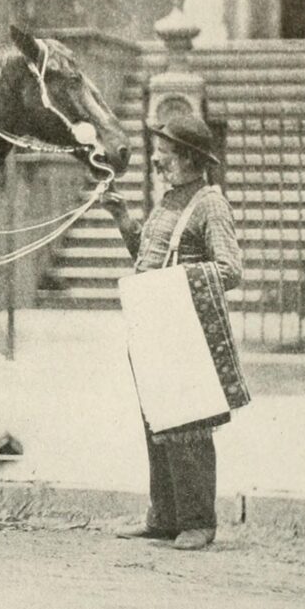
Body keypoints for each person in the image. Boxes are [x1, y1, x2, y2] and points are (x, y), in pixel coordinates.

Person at [100, 114, 242, 551]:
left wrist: (177, 283)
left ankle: (199, 521)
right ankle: (163, 516)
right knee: (156, 425)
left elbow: (230, 269)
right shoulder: (169, 200)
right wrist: (122, 216)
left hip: (183, 331)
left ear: (189, 158)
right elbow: (147, 255)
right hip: (153, 326)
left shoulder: (210, 204)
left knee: (189, 427)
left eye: (165, 152)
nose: (157, 159)